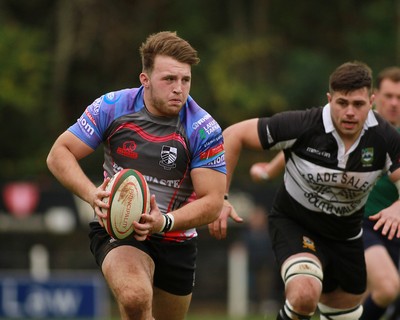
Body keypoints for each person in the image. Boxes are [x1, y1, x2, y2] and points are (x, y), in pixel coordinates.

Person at [46, 31, 226, 320]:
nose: (179, 89)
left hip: (175, 236)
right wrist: (93, 195)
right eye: (169, 79)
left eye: (185, 80)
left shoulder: (203, 128)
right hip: (119, 227)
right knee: (135, 298)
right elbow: (59, 154)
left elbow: (213, 201)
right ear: (145, 79)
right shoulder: (112, 107)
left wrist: (163, 222)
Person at [208, 61, 400, 320]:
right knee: (304, 294)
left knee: (345, 312)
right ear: (329, 99)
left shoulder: (384, 137)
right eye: (342, 103)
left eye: (358, 104)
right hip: (296, 224)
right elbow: (233, 135)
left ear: (371, 100)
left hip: (346, 235)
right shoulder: (302, 124)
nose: (350, 112)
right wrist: (220, 198)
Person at [361, 67, 400, 320]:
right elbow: (307, 140)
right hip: (361, 224)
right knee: (386, 288)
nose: (394, 103)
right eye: (389, 96)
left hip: (395, 228)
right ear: (375, 96)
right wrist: (270, 168)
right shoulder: (356, 123)